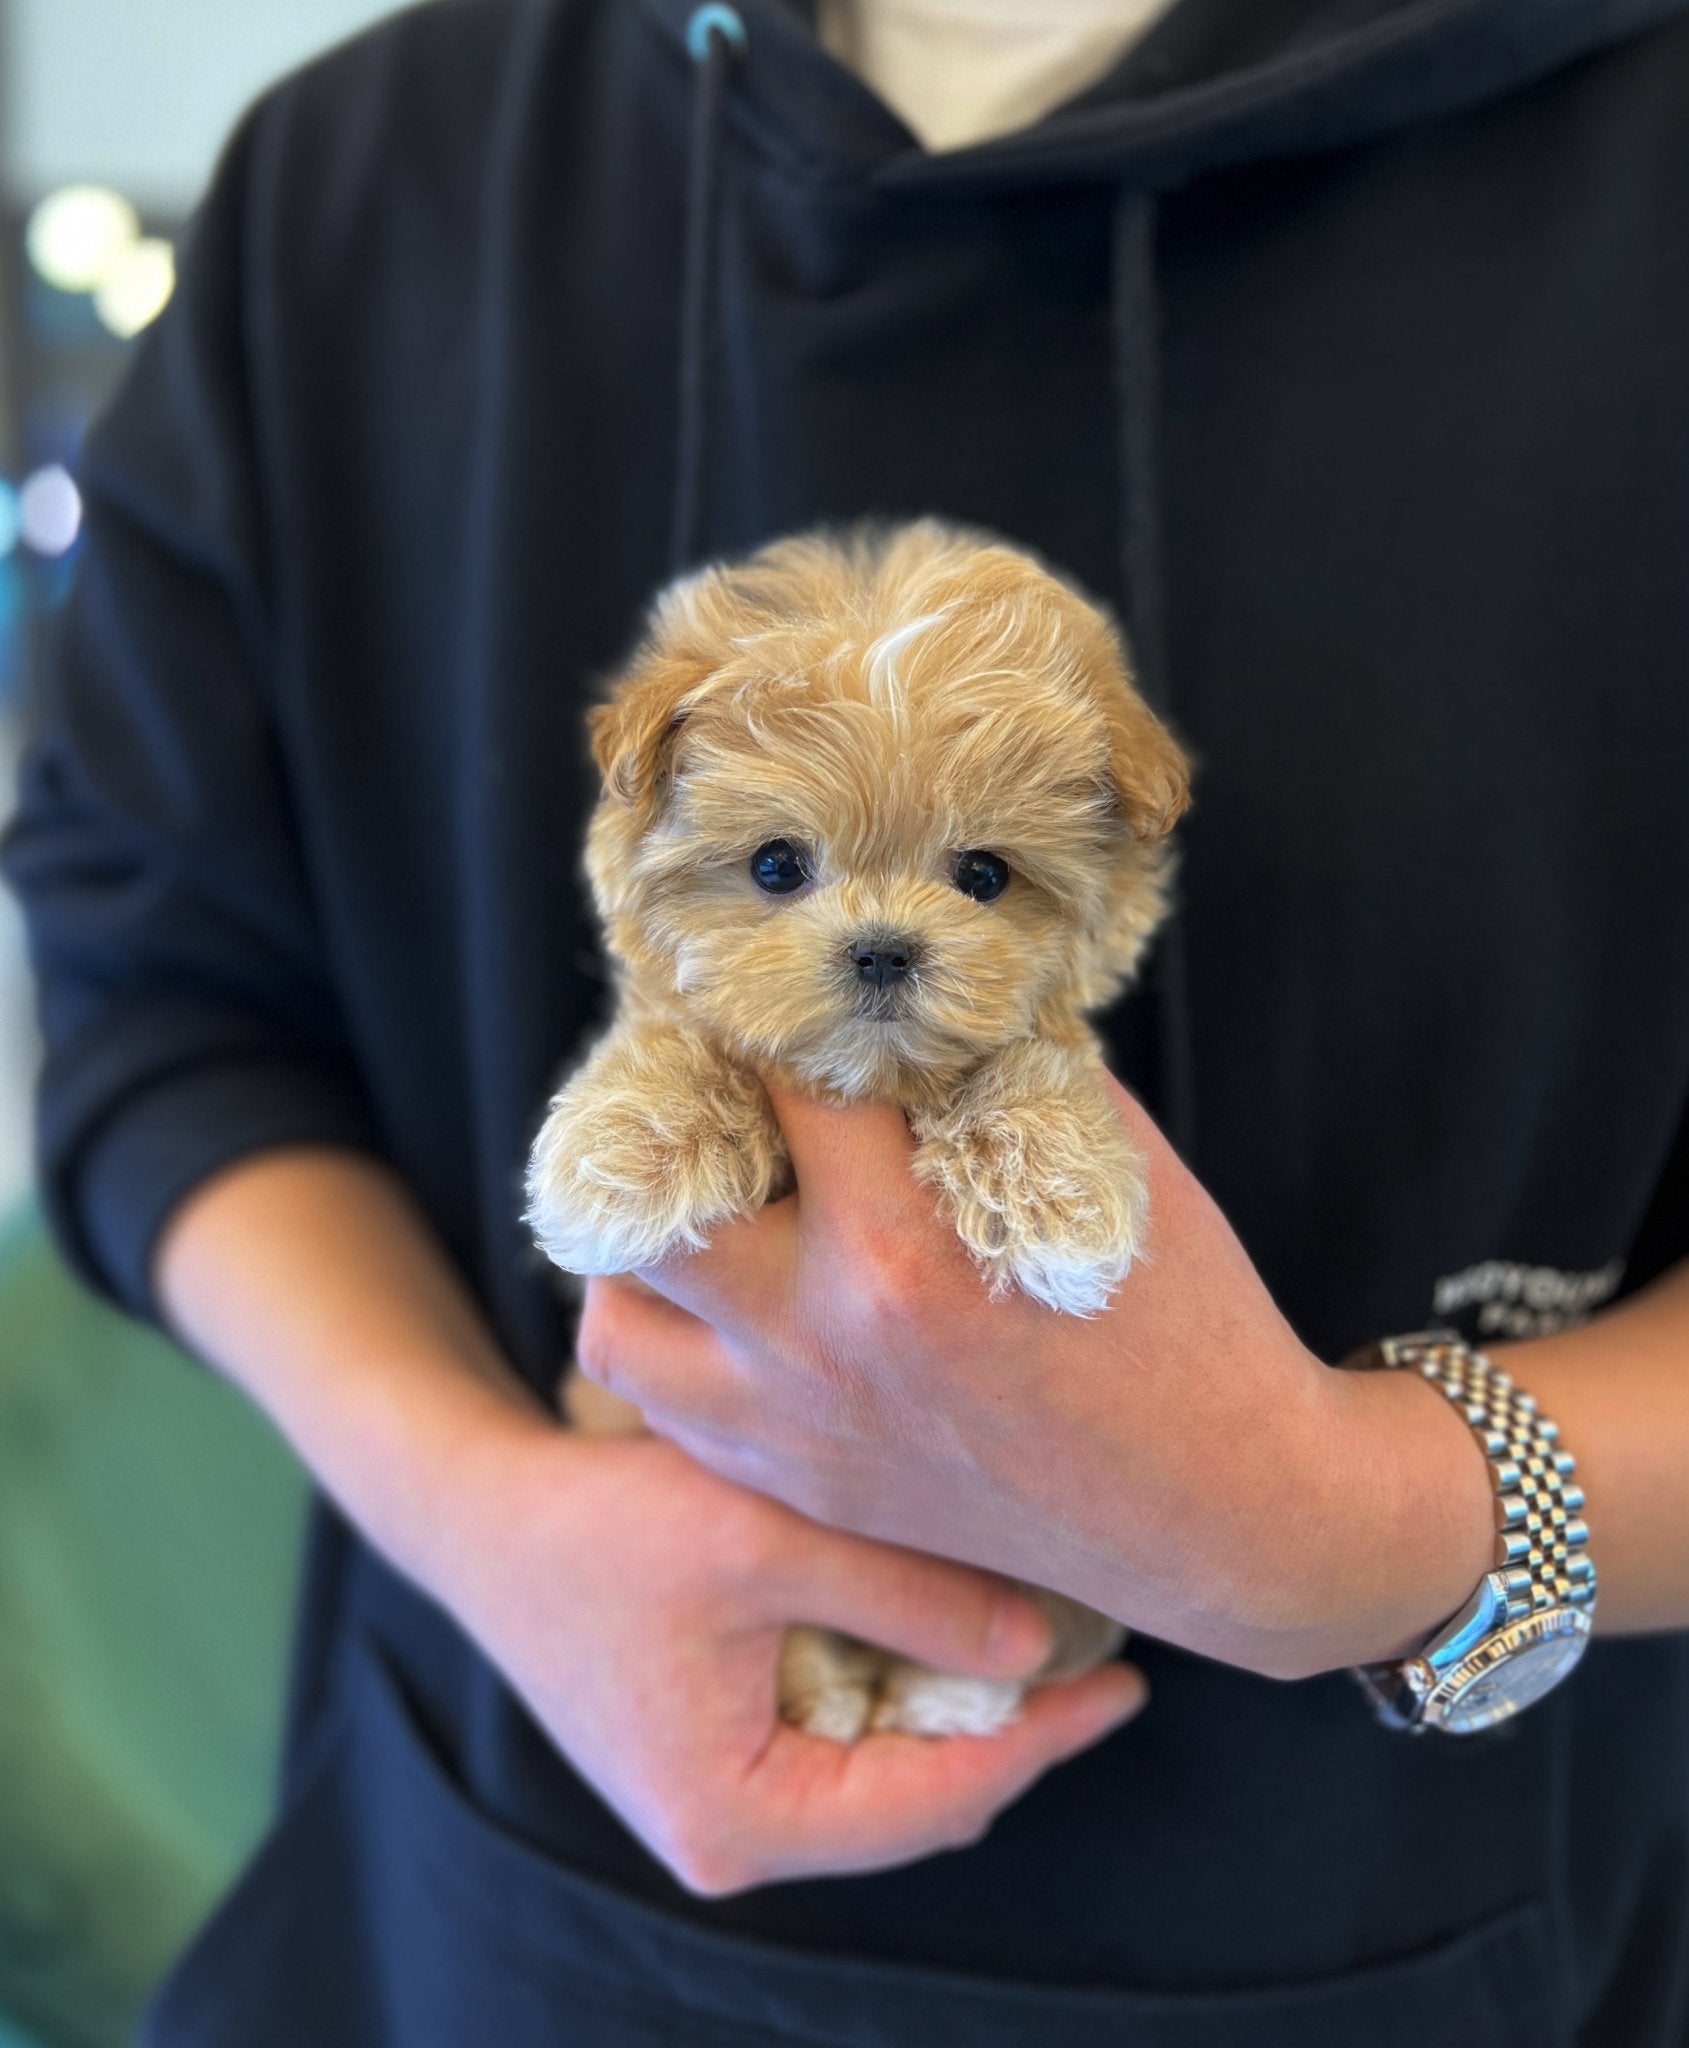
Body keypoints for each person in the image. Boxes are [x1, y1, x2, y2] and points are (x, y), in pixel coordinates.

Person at [6, 0, 1689, 2039]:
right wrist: (482, 1505)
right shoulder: (359, 184)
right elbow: (161, 990)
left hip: (1463, 1936)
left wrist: (1368, 1518)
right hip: (490, 1912)